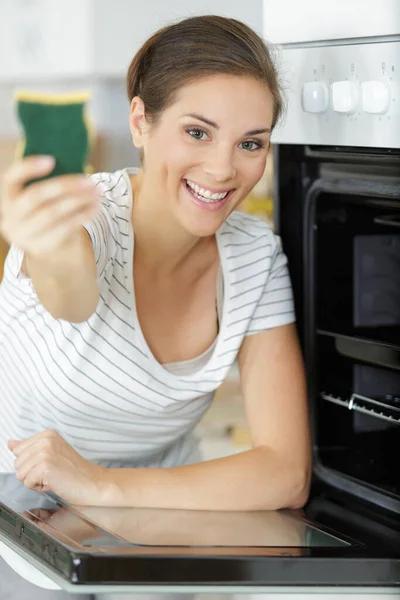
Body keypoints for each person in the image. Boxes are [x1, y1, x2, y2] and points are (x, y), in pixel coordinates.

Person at [0, 14, 312, 599]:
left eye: (251, 143)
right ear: (141, 121)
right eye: (198, 132)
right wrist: (43, 242)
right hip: (16, 500)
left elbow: (284, 471)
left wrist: (101, 486)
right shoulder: (82, 219)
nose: (224, 169)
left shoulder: (254, 256)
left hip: (158, 501)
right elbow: (71, 292)